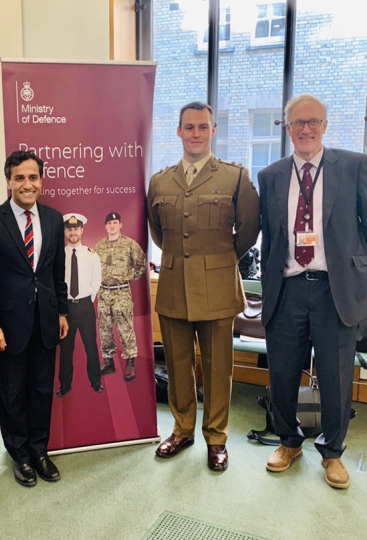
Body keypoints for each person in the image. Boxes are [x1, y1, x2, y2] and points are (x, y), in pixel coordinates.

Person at [258, 93, 367, 489]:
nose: (306, 129)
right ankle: (288, 441)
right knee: (281, 374)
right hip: (288, 288)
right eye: (298, 123)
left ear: (325, 126)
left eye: (313, 122)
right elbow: (270, 237)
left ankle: (332, 452)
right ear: (288, 128)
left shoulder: (353, 166)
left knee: (336, 377)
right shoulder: (271, 176)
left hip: (336, 291)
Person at [146, 102, 260, 471]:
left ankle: (216, 437)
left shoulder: (235, 177)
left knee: (217, 367)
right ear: (178, 131)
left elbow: (247, 230)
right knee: (178, 365)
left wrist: (217, 259)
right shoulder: (159, 181)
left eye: (203, 127)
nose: (195, 133)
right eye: (189, 127)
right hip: (175, 285)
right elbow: (158, 232)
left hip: (218, 286)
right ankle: (182, 430)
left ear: (213, 131)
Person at [0, 150, 68, 487]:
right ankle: (19, 454)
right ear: (8, 182)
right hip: (9, 324)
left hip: (46, 319)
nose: (27, 184)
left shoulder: (54, 219)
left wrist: (61, 311)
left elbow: (56, 272)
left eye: (33, 177)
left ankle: (39, 450)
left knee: (42, 388)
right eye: (20, 178)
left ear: (41, 181)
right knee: (12, 392)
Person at [94, 212, 147, 381]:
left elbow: (141, 263)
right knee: (105, 329)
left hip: (121, 292)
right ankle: (108, 361)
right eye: (109, 223)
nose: (112, 226)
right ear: (105, 226)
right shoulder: (99, 246)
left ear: (120, 225)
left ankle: (130, 362)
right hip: (104, 292)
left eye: (115, 223)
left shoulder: (129, 244)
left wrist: (130, 275)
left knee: (126, 329)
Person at [57, 213, 103, 396]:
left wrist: (87, 299)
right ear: (65, 231)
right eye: (69, 229)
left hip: (84, 305)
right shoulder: (59, 254)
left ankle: (96, 381)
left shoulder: (91, 254)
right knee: (66, 348)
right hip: (65, 308)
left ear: (82, 230)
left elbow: (96, 280)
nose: (73, 232)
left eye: (76, 228)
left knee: (90, 345)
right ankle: (65, 385)